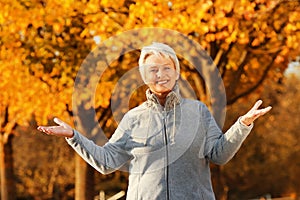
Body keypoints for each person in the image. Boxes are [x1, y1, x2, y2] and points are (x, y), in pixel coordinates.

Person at [37, 42, 272, 200]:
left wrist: (243, 124)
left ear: (177, 72)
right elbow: (107, 162)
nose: (161, 75)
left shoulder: (198, 111)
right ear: (144, 76)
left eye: (167, 67)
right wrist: (73, 137)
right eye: (153, 70)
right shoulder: (133, 118)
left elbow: (219, 154)